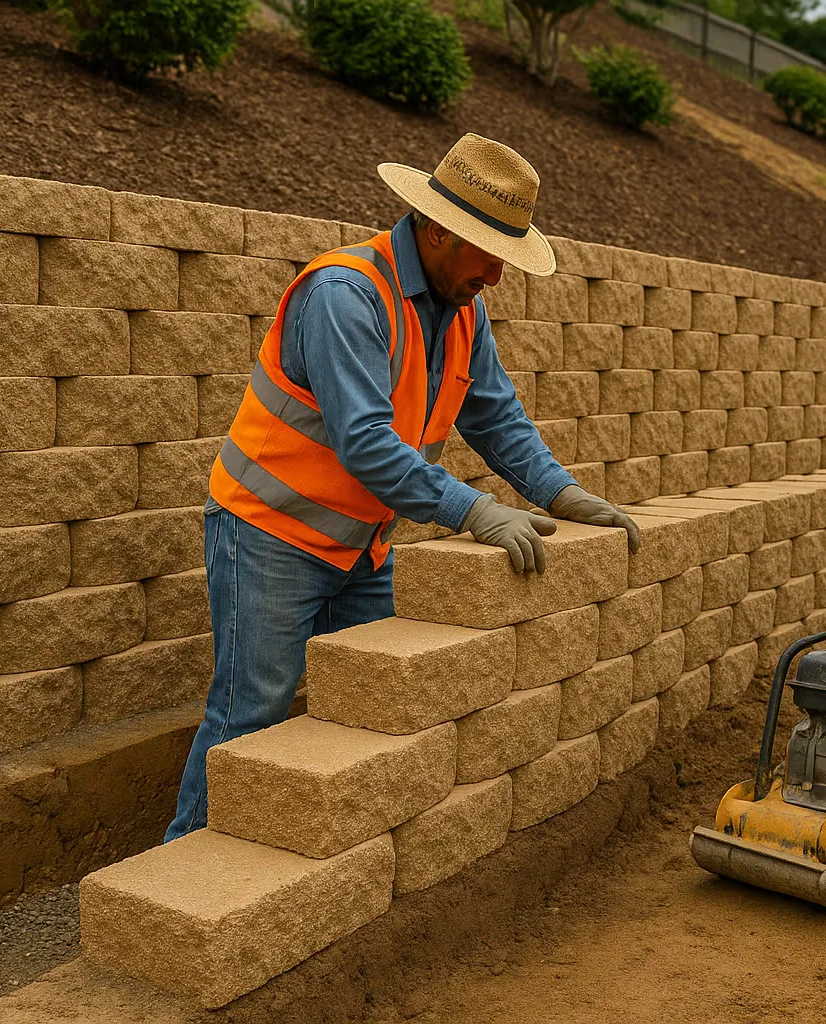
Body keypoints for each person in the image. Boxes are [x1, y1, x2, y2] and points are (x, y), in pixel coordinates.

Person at [165, 134, 641, 841]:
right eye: (489, 255)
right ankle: (185, 868)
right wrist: (474, 510)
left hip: (361, 547)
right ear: (441, 231)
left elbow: (497, 417)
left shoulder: (464, 310)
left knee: (370, 705)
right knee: (251, 711)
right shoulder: (345, 294)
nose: (498, 277)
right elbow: (365, 442)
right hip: (269, 531)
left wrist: (562, 494)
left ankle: (311, 854)